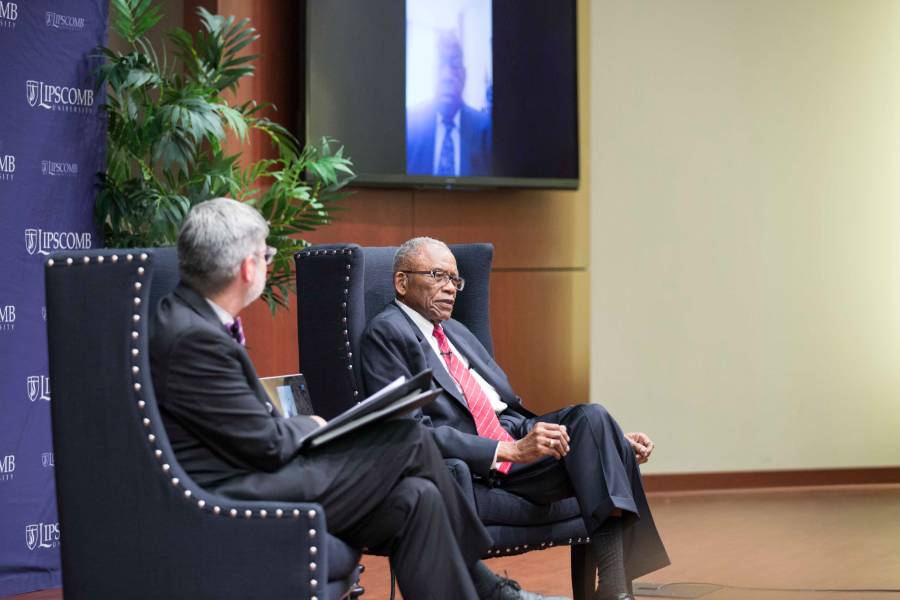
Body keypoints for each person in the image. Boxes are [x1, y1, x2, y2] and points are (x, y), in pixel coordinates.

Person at [149, 199, 566, 600]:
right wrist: (308, 425)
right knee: (410, 439)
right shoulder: (194, 339)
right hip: (232, 492)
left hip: (253, 471)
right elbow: (267, 446)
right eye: (266, 253)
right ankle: (486, 584)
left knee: (417, 498)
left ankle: (481, 586)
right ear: (246, 268)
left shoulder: (191, 319)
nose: (268, 261)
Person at [360, 237, 671, 600]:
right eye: (437, 276)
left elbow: (506, 411)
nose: (450, 288)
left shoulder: (457, 332)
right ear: (401, 282)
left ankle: (614, 590)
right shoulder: (388, 334)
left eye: (455, 280)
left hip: (518, 452)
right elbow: (411, 432)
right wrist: (507, 451)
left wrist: (607, 443)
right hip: (478, 465)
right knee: (596, 433)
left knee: (595, 419)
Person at [407, 31, 492, 177]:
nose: (447, 76)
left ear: (464, 75)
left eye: (455, 65)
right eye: (441, 65)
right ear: (432, 73)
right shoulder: (409, 124)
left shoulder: (485, 128)